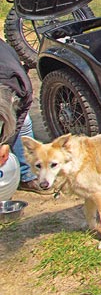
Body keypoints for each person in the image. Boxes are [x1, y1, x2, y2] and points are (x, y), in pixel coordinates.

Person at [0, 40, 48, 194]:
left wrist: (6, 143)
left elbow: (21, 114)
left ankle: (27, 176)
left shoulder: (22, 86)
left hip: (6, 61)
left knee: (25, 123)